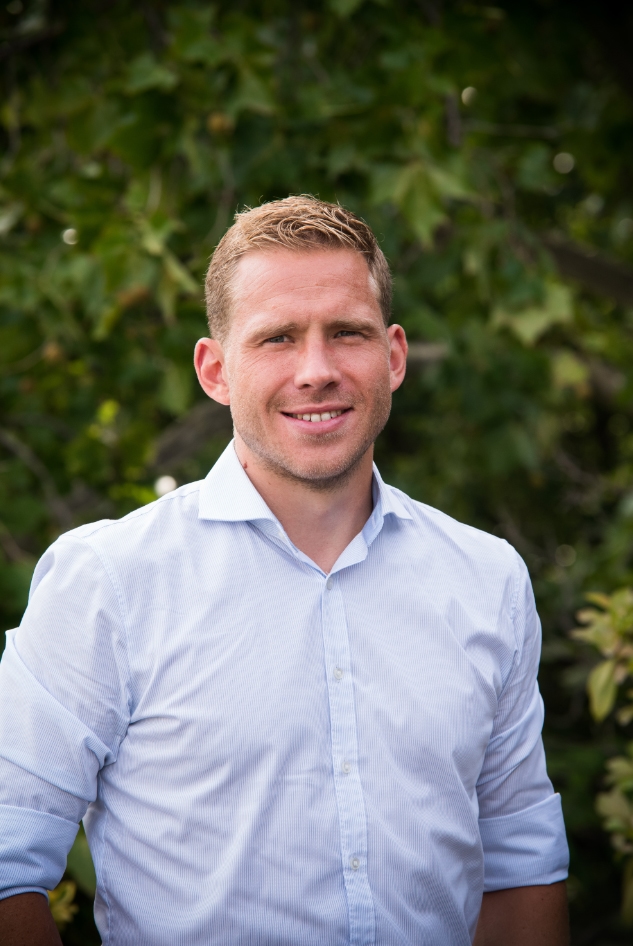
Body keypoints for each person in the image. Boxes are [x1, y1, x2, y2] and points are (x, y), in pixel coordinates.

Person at [0, 196, 569, 945]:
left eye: (347, 333)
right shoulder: (107, 582)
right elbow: (8, 863)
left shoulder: (487, 580)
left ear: (393, 356)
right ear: (215, 370)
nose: (317, 371)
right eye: (277, 338)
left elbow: (521, 866)